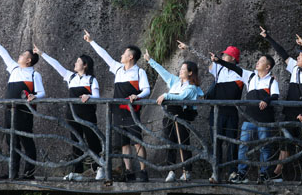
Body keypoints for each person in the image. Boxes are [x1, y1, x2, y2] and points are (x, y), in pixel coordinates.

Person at [84, 30, 150, 182]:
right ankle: (128, 171)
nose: (121, 55)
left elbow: (146, 89)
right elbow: (104, 55)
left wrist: (137, 96)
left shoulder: (139, 72)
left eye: (124, 53)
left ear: (131, 57)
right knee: (123, 143)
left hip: (132, 111)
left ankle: (143, 171)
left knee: (137, 142)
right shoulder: (118, 68)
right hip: (117, 111)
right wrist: (91, 41)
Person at [210, 44, 279, 184]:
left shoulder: (272, 80)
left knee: (265, 147)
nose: (257, 62)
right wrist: (219, 61)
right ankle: (241, 173)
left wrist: (266, 100)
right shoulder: (250, 76)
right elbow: (234, 67)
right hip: (249, 118)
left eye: (261, 61)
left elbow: (275, 95)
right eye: (258, 60)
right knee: (243, 145)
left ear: (268, 67)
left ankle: (264, 174)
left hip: (265, 119)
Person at [261, 28, 302, 182]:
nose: (298, 56)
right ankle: (278, 172)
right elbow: (282, 53)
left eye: (301, 56)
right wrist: (268, 37)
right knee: (285, 142)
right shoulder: (295, 67)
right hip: (290, 112)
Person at [0, 30, 45, 180]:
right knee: (11, 141)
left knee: (26, 140)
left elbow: (42, 92)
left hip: (24, 112)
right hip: (9, 111)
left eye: (23, 55)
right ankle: (13, 172)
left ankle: (29, 173)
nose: (20, 56)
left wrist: (34, 96)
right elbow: (4, 54)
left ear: (29, 60)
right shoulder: (14, 68)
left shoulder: (34, 75)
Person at [36, 45, 104, 181]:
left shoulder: (91, 79)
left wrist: (89, 96)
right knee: (75, 142)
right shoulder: (70, 77)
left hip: (88, 114)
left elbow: (97, 97)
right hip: (72, 114)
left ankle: (99, 168)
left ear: (85, 65)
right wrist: (41, 53)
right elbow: (56, 65)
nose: (75, 63)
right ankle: (77, 171)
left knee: (93, 141)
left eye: (78, 61)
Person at [146, 45, 203, 182]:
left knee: (183, 143)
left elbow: (181, 97)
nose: (180, 71)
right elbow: (163, 72)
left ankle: (186, 171)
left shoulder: (192, 88)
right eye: (181, 68)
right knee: (169, 143)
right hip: (169, 116)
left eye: (183, 69)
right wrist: (150, 60)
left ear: (190, 73)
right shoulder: (175, 82)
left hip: (182, 116)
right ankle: (171, 171)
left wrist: (166, 95)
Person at [204, 44, 244, 183]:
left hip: (231, 111)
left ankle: (233, 172)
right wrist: (189, 48)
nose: (223, 56)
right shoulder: (218, 69)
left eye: (226, 55)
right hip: (216, 111)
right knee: (216, 143)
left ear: (233, 58)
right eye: (223, 54)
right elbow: (207, 63)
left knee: (232, 143)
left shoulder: (240, 73)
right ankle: (216, 172)